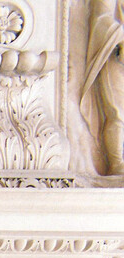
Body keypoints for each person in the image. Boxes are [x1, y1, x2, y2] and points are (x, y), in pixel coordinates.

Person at [82, 0, 124, 175]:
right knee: (117, 112)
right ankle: (117, 163)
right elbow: (101, 17)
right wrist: (121, 38)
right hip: (115, 56)